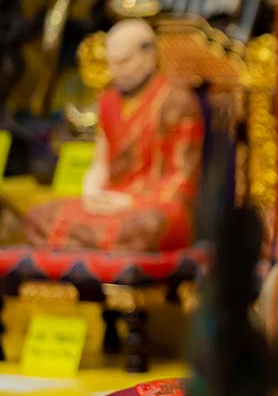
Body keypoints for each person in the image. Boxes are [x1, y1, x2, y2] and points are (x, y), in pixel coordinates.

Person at [25, 19, 203, 252]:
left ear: (149, 55)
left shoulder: (178, 102)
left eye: (124, 61)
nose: (117, 71)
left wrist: (133, 203)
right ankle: (100, 241)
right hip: (112, 199)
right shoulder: (109, 101)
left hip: (154, 205)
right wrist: (92, 190)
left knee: (149, 225)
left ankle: (89, 241)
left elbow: (182, 176)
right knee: (38, 216)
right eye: (112, 63)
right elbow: (100, 162)